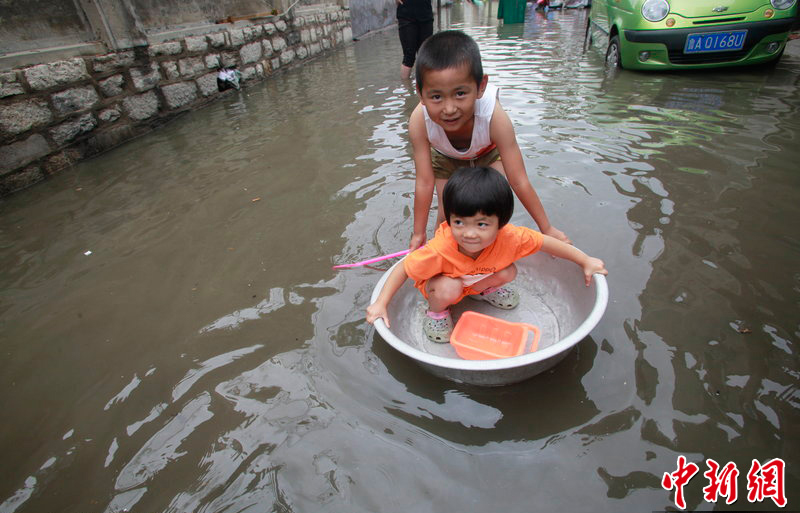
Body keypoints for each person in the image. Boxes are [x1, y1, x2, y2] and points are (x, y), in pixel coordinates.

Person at [366, 167, 607, 343]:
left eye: (481, 224)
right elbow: (403, 268)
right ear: (449, 219)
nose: (469, 234)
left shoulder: (511, 237)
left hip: (476, 279)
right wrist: (380, 303)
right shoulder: (440, 249)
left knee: (509, 271)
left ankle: (483, 291)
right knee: (449, 289)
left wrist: (584, 260)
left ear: (500, 222)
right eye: (459, 222)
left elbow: (546, 242)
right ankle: (437, 312)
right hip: (442, 287)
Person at [407, 30, 571, 252]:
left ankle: (492, 266)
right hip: (445, 158)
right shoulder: (419, 121)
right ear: (420, 93)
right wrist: (418, 233)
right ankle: (449, 270)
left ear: (481, 86)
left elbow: (519, 179)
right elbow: (425, 182)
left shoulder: (494, 117)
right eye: (436, 97)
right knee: (447, 218)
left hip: (487, 153)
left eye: (460, 93)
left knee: (491, 210)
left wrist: (547, 228)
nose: (449, 108)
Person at [396, 0, 433, 79]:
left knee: (425, 55)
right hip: (406, 15)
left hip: (426, 14)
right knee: (409, 56)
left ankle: (424, 87)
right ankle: (407, 88)